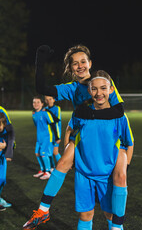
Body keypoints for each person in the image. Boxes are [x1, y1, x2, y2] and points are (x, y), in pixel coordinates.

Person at [23, 45, 124, 229]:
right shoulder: (71, 88)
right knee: (61, 164)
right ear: (70, 68)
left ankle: (116, 225)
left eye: (83, 62)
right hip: (83, 136)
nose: (80, 66)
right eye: (75, 63)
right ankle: (43, 211)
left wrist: (86, 114)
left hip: (105, 143)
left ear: (90, 63)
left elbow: (118, 111)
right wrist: (40, 62)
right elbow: (41, 87)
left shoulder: (103, 82)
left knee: (109, 207)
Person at [69, 71, 134, 230]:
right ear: (89, 91)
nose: (99, 93)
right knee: (85, 215)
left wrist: (123, 169)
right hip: (83, 173)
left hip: (107, 175)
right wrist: (68, 156)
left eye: (103, 88)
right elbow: (70, 131)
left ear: (111, 90)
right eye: (95, 89)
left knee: (110, 214)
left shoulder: (119, 117)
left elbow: (129, 143)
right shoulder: (83, 113)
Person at [32, 96, 60, 180]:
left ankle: (47, 172)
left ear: (42, 104)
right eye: (34, 102)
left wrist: (57, 137)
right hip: (39, 138)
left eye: (38, 102)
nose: (36, 104)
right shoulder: (34, 114)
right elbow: (36, 125)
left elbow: (53, 124)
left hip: (47, 137)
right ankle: (42, 169)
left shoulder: (45, 112)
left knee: (44, 154)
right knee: (37, 153)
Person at [0, 112, 15, 210]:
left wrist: (6, 148)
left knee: (2, 180)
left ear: (4, 124)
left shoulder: (9, 130)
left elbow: (12, 142)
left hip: (2, 158)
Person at [44, 96, 61, 170]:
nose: (48, 101)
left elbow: (57, 119)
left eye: (50, 99)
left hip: (56, 133)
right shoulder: (45, 109)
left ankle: (62, 166)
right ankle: (52, 167)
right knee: (49, 151)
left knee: (55, 152)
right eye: (46, 100)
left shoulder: (57, 108)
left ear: (54, 100)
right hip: (49, 134)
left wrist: (48, 111)